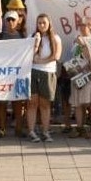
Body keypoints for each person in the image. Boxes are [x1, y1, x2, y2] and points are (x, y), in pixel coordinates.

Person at [27, 14, 61, 143]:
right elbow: (29, 54)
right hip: (33, 72)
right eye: (39, 23)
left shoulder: (55, 38)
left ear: (49, 23)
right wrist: (36, 43)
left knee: (45, 104)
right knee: (32, 103)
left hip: (47, 72)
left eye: (43, 23)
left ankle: (45, 131)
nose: (41, 25)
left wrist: (41, 61)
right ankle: (31, 131)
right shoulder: (33, 36)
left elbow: (56, 56)